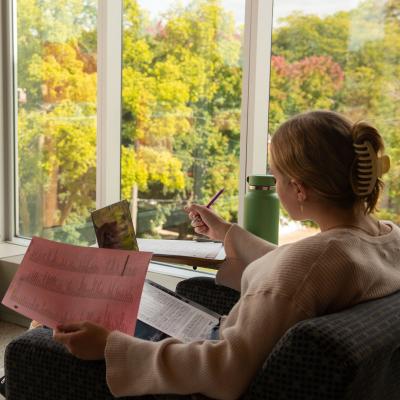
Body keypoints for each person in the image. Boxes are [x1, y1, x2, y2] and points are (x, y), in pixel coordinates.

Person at [12, 110, 400, 400]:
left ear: (299, 189)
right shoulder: (382, 240)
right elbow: (292, 274)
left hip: (204, 357)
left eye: (277, 176)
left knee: (55, 320)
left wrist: (110, 346)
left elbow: (225, 370)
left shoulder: (311, 262)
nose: (275, 184)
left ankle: (22, 374)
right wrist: (226, 231)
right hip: (226, 335)